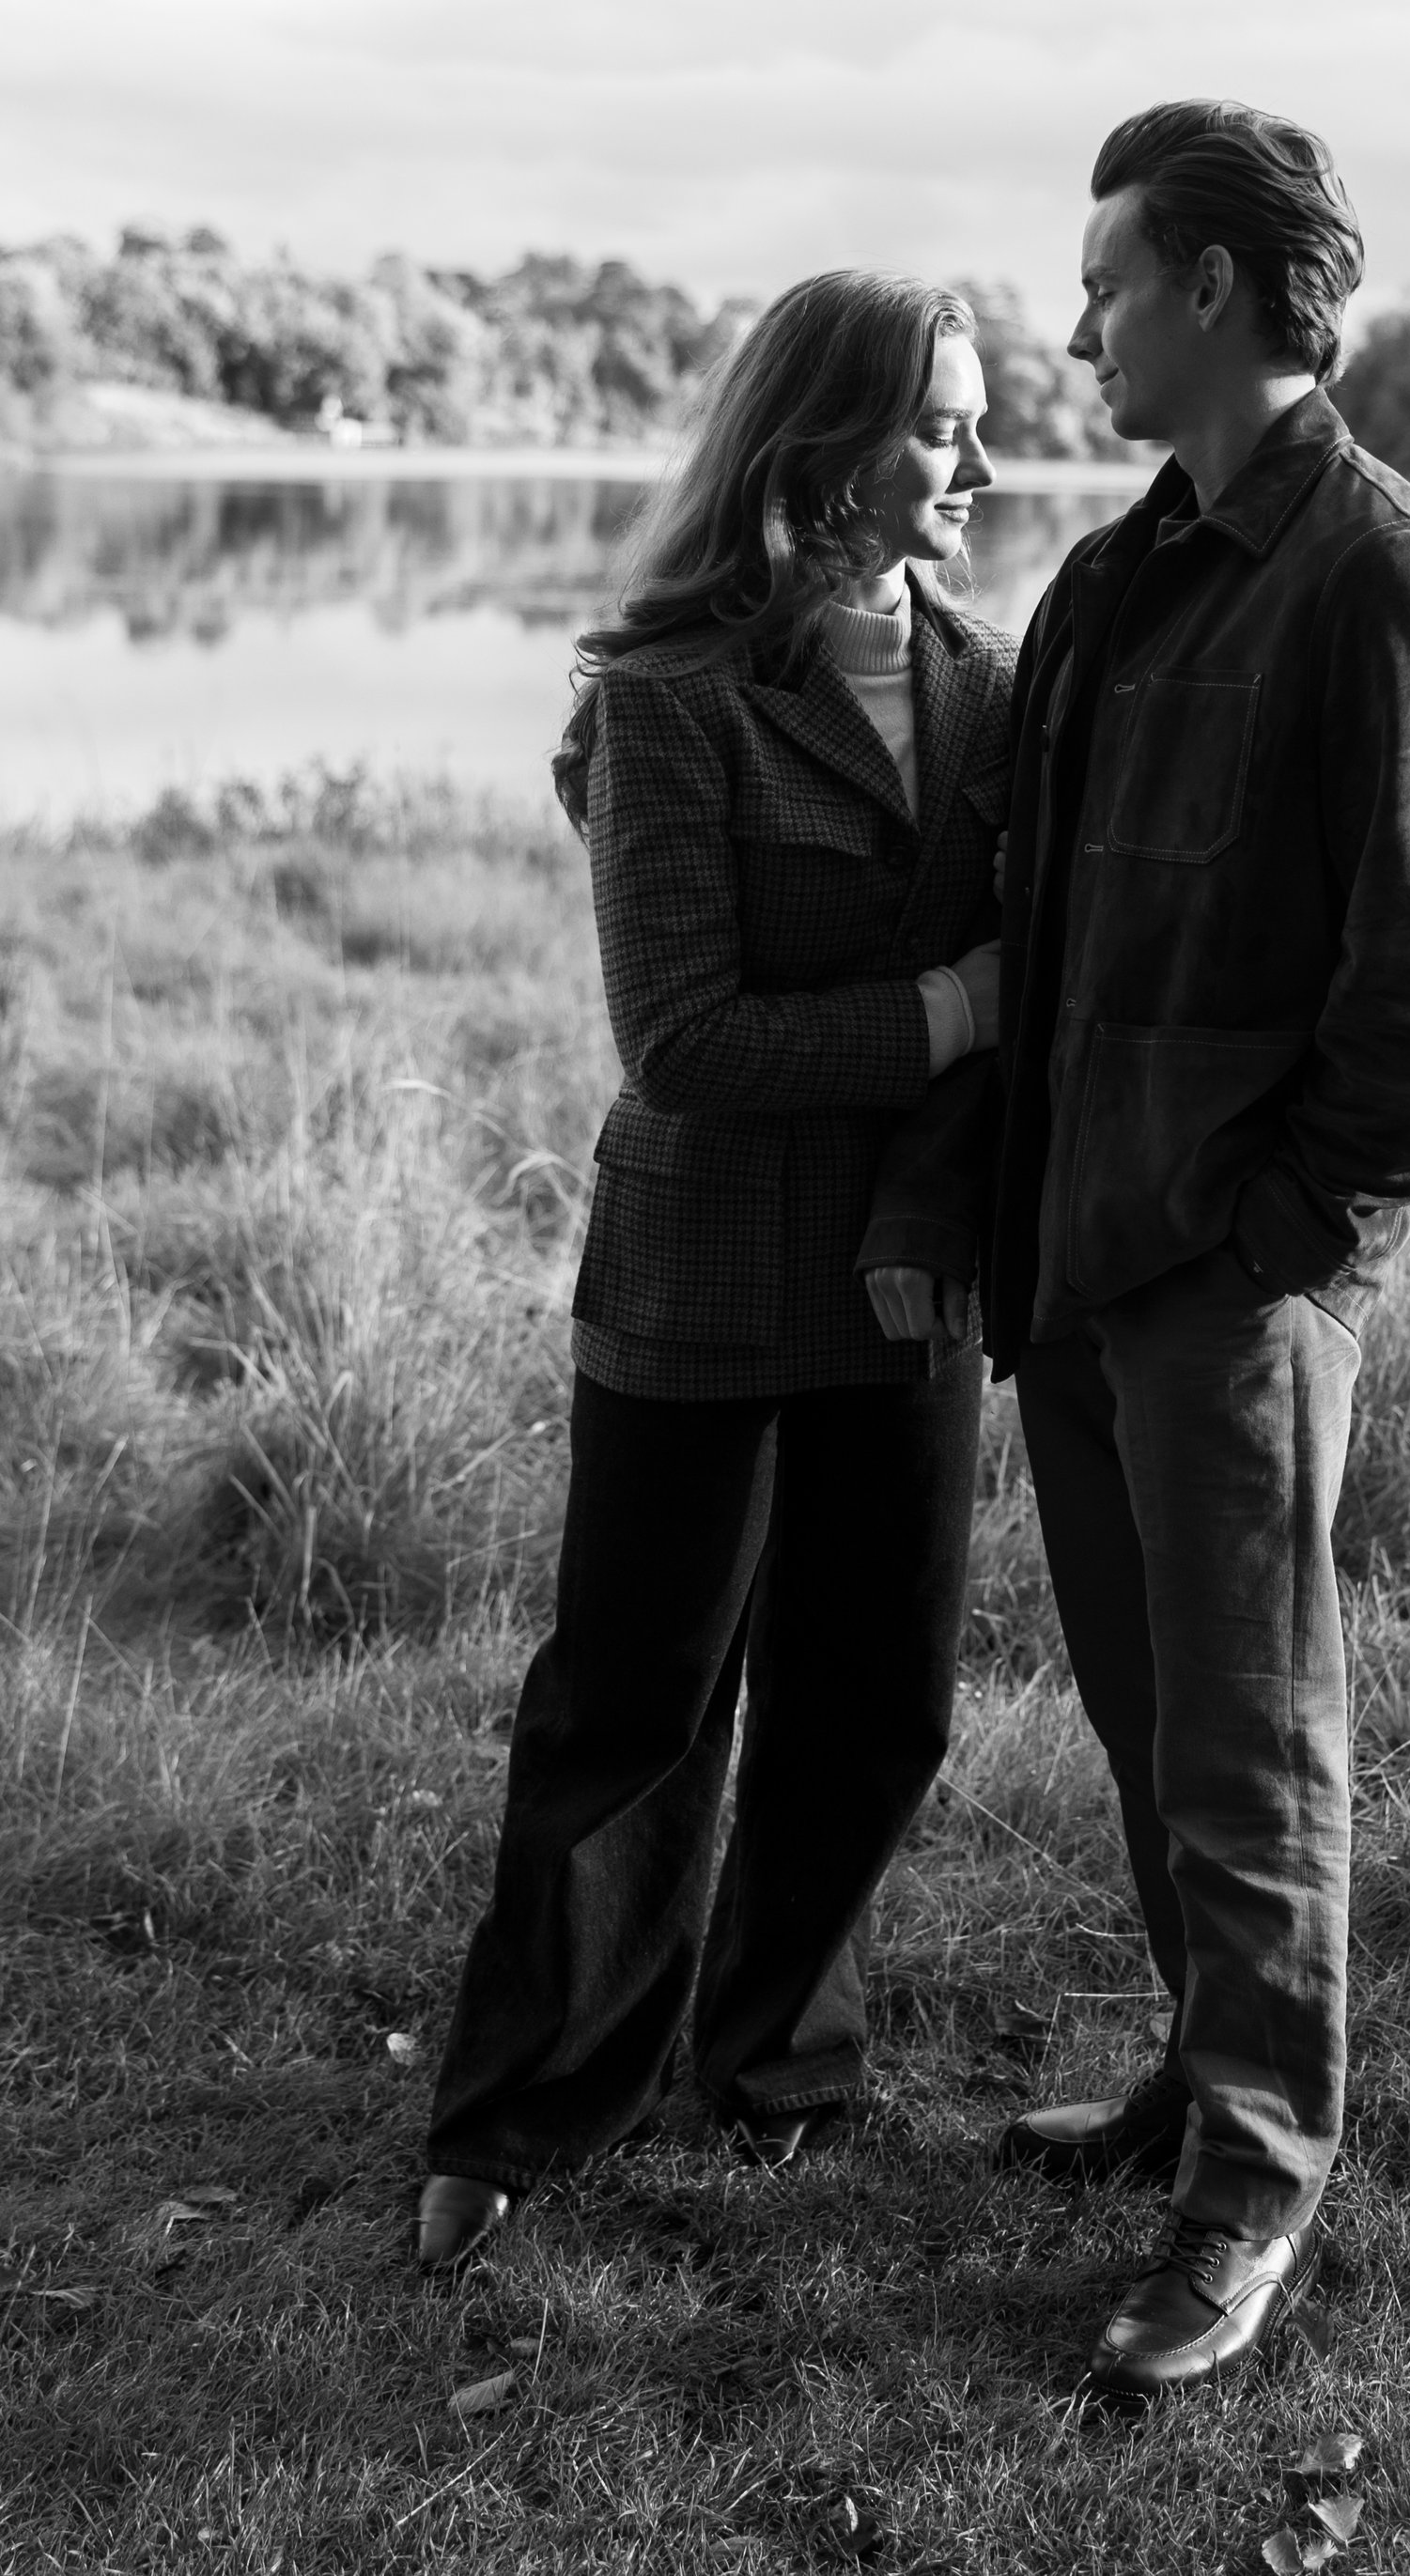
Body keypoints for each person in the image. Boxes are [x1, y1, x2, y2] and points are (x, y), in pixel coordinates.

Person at [865, 101, 1410, 2399]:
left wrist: (1285, 1254)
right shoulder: (1124, 574)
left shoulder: (1386, 578)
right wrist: (975, 1209)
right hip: (1077, 1255)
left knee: (1248, 1749)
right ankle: (1187, 2072)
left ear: (1217, 293)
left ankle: (1246, 2189)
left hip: (1225, 1283)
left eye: (1106, 288)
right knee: (1152, 1728)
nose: (1072, 332)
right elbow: (1030, 937)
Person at [416, 272, 1014, 2273]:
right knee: (633, 1703)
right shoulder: (664, 700)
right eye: (937, 423)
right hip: (695, 1272)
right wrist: (945, 1009)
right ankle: (530, 2103)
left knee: (875, 1699)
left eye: (976, 420)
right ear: (818, 442)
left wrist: (941, 1169)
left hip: (903, 1288)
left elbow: (1031, 1013)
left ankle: (778, 2064)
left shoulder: (994, 690)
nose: (975, 461)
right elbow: (681, 1039)